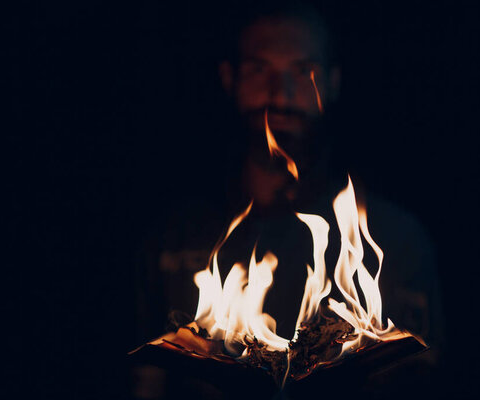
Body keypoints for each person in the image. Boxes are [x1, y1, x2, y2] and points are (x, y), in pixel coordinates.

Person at [133, 3, 444, 398]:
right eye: (260, 69)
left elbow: (420, 381)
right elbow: (144, 383)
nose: (281, 93)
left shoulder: (393, 240)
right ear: (229, 78)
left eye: (303, 70)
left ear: (332, 82)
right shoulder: (172, 237)